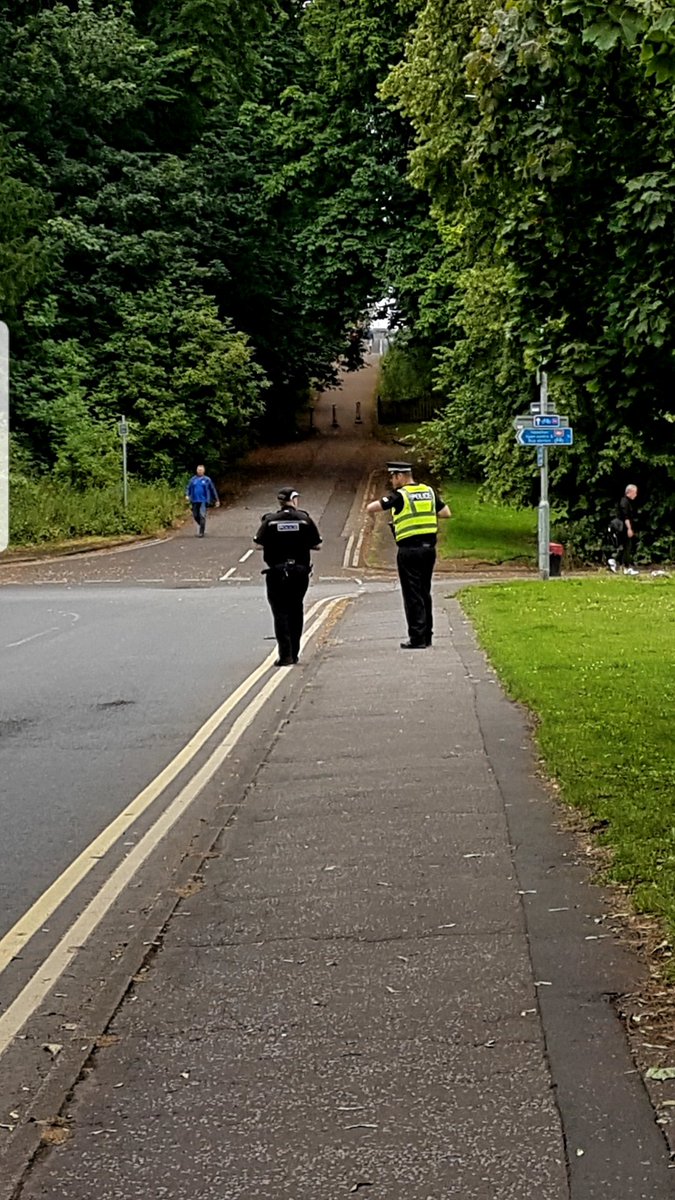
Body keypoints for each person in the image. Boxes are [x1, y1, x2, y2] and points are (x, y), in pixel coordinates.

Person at [366, 462, 451, 649]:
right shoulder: (428, 491)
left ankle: (417, 638)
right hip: (429, 549)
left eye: (393, 477)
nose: (392, 481)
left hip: (409, 550)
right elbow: (445, 513)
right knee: (424, 591)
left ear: (400, 476)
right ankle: (427, 635)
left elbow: (372, 507)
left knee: (412, 594)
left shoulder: (400, 495)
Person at [254, 487, 322, 666]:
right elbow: (317, 545)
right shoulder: (305, 520)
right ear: (293, 500)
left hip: (277, 572)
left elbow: (258, 545)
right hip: (299, 572)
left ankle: (285, 655)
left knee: (280, 613)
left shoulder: (269, 521)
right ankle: (295, 652)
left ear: (280, 501)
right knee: (296, 610)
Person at [608, 484, 639, 576]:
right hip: (623, 528)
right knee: (627, 546)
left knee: (625, 547)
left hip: (623, 527)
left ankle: (614, 561)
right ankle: (626, 567)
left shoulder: (626, 501)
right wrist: (629, 529)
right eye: (635, 492)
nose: (636, 494)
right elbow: (626, 517)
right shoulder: (624, 502)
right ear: (630, 492)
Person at [185, 464, 220, 537]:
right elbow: (188, 487)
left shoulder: (207, 480)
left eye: (201, 470)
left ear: (203, 471)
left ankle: (201, 532)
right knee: (195, 515)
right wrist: (187, 495)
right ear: (196, 470)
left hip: (203, 501)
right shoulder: (193, 479)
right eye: (198, 470)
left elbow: (212, 489)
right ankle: (202, 525)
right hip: (194, 500)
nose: (199, 471)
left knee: (202, 515)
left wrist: (217, 500)